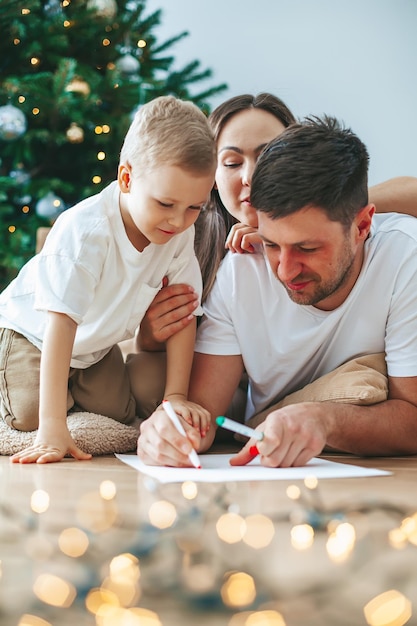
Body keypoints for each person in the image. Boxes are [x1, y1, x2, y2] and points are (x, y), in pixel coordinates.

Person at [137, 114, 417, 468]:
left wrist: (325, 419)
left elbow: (413, 416)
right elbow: (203, 412)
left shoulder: (406, 258)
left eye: (308, 249)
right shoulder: (241, 270)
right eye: (271, 244)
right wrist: (171, 430)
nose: (285, 270)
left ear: (362, 225)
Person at [0, 95, 216, 464]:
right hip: (32, 335)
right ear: (127, 178)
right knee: (31, 415)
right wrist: (53, 426)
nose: (179, 222)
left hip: (93, 350)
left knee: (118, 413)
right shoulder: (86, 233)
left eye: (194, 207)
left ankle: (68, 391)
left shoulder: (177, 234)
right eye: (165, 204)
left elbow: (183, 310)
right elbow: (60, 325)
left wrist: (176, 395)